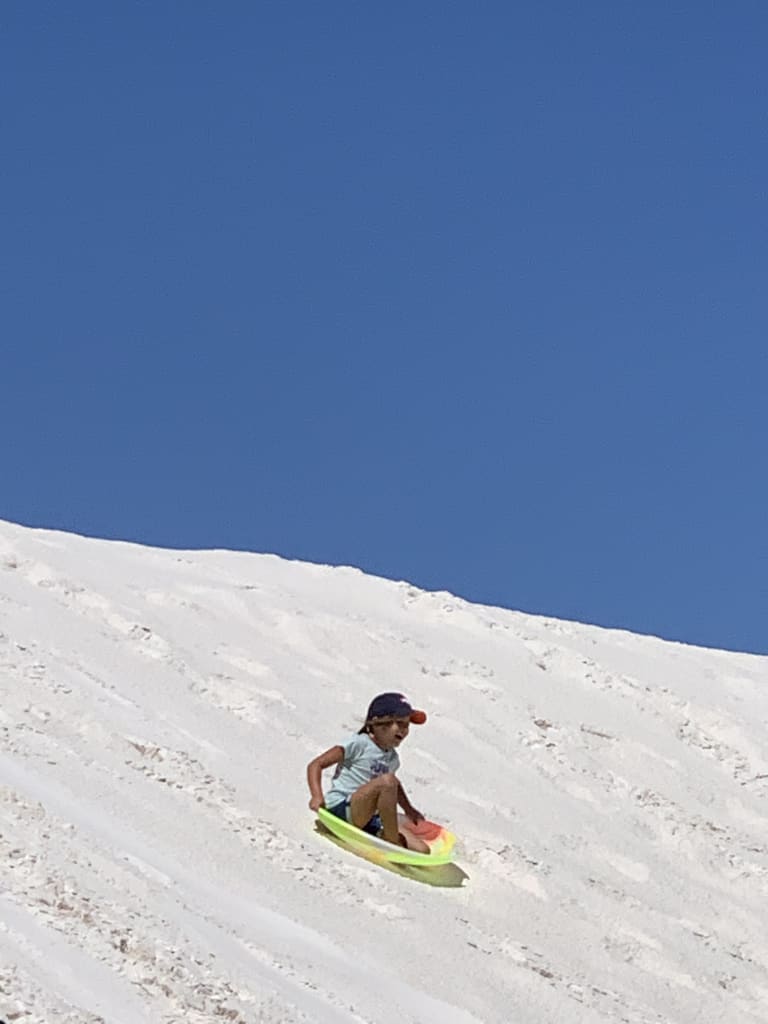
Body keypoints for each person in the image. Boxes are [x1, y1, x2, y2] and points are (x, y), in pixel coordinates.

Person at [307, 692, 429, 851]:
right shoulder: (359, 743)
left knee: (423, 850)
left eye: (407, 725)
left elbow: (394, 787)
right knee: (387, 781)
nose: (404, 730)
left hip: (368, 817)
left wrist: (409, 809)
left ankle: (385, 835)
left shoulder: (392, 758)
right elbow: (316, 765)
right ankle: (391, 841)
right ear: (379, 723)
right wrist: (317, 796)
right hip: (342, 808)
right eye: (399, 723)